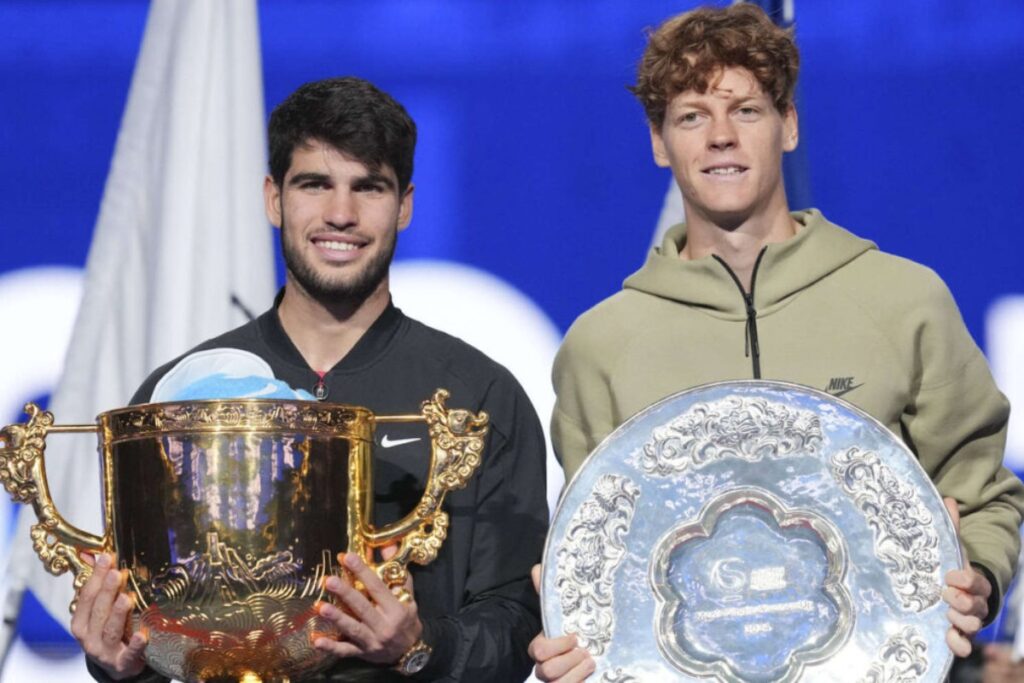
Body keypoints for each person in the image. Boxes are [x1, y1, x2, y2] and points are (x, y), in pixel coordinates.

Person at [529, 4, 1024, 681]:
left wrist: (979, 574)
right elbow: (604, 554)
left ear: (789, 124)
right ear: (658, 141)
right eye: (692, 116)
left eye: (747, 110)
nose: (721, 137)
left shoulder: (904, 300)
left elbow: (985, 496)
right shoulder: (602, 344)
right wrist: (574, 633)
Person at [72, 76, 549, 682]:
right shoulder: (182, 397)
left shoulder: (477, 396)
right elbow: (145, 624)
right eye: (315, 184)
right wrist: (112, 662)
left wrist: (417, 646)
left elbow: (516, 620)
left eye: (368, 187)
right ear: (274, 198)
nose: (341, 214)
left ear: (404, 204)